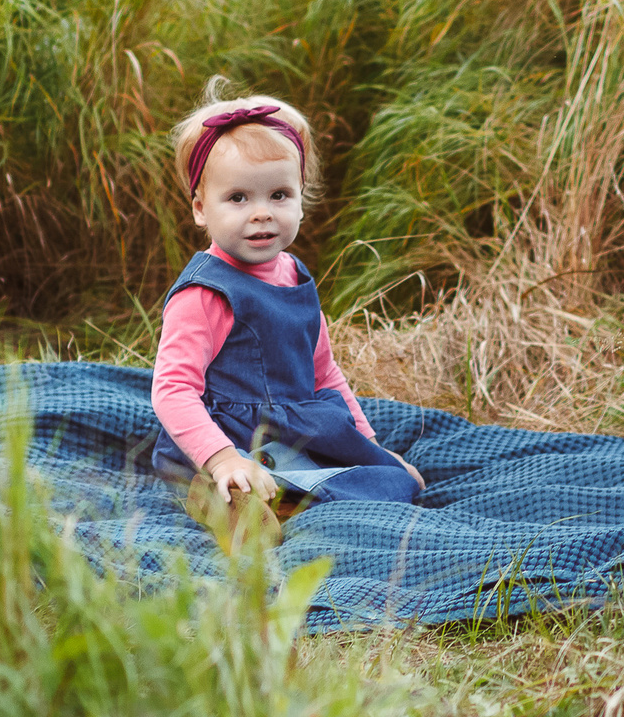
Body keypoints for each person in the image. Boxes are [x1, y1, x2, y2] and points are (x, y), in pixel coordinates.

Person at [149, 88, 426, 511]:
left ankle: (283, 502)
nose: (261, 212)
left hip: (293, 436)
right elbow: (173, 389)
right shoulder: (205, 294)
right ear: (201, 209)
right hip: (230, 442)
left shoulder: (295, 275)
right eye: (238, 198)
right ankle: (230, 497)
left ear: (300, 200)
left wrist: (369, 445)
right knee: (252, 476)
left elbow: (325, 375)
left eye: (278, 195)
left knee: (399, 481)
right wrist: (222, 460)